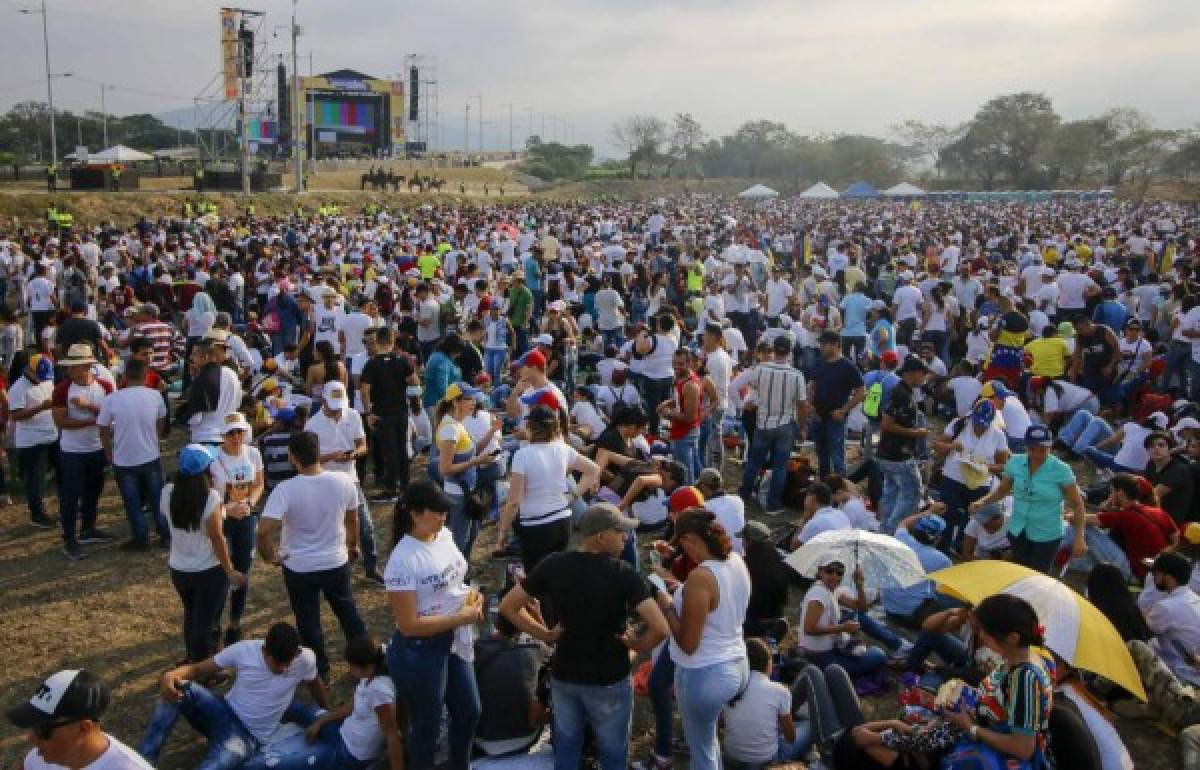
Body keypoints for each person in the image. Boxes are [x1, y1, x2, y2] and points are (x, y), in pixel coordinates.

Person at [499, 503, 670, 770]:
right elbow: (661, 627)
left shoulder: (553, 564)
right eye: (620, 531)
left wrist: (544, 634)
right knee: (613, 752)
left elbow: (508, 606)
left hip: (565, 674)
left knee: (566, 749)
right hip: (609, 678)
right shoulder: (623, 573)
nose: (626, 537)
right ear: (601, 536)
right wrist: (638, 644)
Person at [384, 479, 483, 770]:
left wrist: (469, 597)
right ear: (415, 514)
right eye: (437, 512)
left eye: (444, 512)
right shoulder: (402, 562)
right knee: (427, 726)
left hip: (451, 639)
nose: (443, 518)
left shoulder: (445, 536)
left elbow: (455, 579)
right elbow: (409, 625)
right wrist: (460, 617)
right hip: (420, 651)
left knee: (469, 711)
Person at [139, 622, 327, 770]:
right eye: (278, 664)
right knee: (179, 686)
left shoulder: (305, 659)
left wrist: (325, 713)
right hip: (221, 711)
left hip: (247, 736)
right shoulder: (245, 651)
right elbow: (197, 669)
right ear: (265, 651)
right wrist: (170, 675)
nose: (284, 669)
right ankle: (143, 761)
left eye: (288, 663)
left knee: (214, 766)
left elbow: (315, 683)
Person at [257, 431, 366, 681]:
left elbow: (263, 530)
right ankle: (365, 663)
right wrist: (353, 545)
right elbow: (353, 518)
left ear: (292, 458)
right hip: (335, 561)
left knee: (309, 622)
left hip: (299, 567)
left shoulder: (285, 489)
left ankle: (320, 671)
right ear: (319, 453)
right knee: (348, 614)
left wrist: (270, 556)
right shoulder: (343, 481)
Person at [650, 508, 751, 770]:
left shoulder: (700, 577)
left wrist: (667, 605)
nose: (684, 552)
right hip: (737, 662)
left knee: (702, 753)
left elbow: (688, 644)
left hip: (705, 673)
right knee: (707, 741)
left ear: (690, 539)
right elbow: (716, 605)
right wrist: (676, 586)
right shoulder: (737, 561)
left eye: (682, 544)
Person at [240, 636, 403, 770]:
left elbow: (392, 735)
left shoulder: (379, 691)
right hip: (342, 733)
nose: (350, 670)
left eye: (351, 666)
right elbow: (351, 706)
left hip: (348, 754)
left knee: (269, 763)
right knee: (303, 711)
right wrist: (321, 722)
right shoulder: (368, 677)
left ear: (364, 666)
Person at [939, 594, 1057, 770]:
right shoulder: (1019, 657)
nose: (981, 636)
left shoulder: (1025, 678)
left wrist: (971, 728)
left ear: (1012, 638)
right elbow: (1005, 702)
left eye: (985, 631)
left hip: (1004, 759)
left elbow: (1023, 748)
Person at [162, 444, 244, 663]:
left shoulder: (168, 492)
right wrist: (230, 569)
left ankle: (192, 657)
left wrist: (224, 511)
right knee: (206, 622)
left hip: (179, 568)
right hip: (208, 571)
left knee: (191, 615)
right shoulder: (211, 498)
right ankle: (201, 668)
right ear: (207, 470)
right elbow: (216, 537)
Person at [970, 424, 1087, 574]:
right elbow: (1002, 490)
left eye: (1042, 450)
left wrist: (1079, 537)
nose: (1037, 454)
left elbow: (1077, 504)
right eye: (1032, 449)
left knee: (1038, 576)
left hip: (1047, 534)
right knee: (1019, 571)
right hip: (1018, 528)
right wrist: (982, 502)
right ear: (1026, 447)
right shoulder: (1015, 463)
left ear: (1050, 447)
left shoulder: (1061, 470)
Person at [499, 403, 601, 571]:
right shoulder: (563, 449)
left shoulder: (523, 455)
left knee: (535, 577)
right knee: (557, 572)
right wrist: (574, 495)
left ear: (531, 427)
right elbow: (593, 469)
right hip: (562, 520)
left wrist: (502, 531)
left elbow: (514, 501)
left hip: (535, 525)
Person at [304, 380, 381, 583]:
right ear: (324, 401)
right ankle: (333, 569)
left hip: (350, 479)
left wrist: (354, 454)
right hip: (324, 483)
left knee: (365, 526)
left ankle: (371, 568)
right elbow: (308, 459)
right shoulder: (312, 424)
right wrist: (330, 457)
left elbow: (363, 445)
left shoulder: (353, 415)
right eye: (333, 407)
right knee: (331, 529)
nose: (338, 411)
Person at [7, 669, 153, 769]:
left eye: (43, 730)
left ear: (83, 728)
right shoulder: (41, 759)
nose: (31, 738)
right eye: (33, 726)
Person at [97, 358, 170, 551]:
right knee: (157, 498)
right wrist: (155, 437)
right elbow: (162, 419)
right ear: (145, 376)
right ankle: (165, 534)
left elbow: (103, 428)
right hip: (150, 455)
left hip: (124, 458)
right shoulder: (154, 396)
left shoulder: (112, 399)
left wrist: (108, 451)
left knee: (132, 501)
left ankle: (140, 537)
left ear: (124, 377)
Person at [472, 586, 552, 758]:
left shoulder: (476, 649)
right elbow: (554, 653)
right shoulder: (536, 650)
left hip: (481, 738)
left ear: (495, 621)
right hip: (525, 738)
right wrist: (538, 618)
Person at [52, 343, 115, 560]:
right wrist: (93, 421)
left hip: (95, 448)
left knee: (93, 490)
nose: (69, 370)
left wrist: (90, 409)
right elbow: (60, 421)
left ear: (87, 366)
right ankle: (69, 537)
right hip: (72, 450)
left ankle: (88, 528)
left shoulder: (105, 387)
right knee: (70, 496)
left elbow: (110, 414)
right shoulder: (62, 389)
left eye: (74, 366)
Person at [733, 335, 809, 513]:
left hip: (763, 422)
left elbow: (741, 387)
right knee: (779, 466)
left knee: (754, 461)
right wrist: (802, 427)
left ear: (773, 351)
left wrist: (744, 404)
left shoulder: (759, 370)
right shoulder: (797, 375)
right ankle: (773, 504)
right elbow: (802, 404)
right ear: (789, 352)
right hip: (785, 423)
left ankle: (744, 495)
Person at [932, 399, 1010, 549]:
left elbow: (1003, 465)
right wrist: (952, 445)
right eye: (977, 422)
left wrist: (985, 467)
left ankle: (961, 546)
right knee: (946, 512)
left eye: (984, 424)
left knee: (972, 517)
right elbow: (937, 445)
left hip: (979, 482)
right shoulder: (959, 424)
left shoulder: (998, 435)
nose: (979, 426)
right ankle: (942, 544)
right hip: (953, 477)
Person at [434, 381, 501, 558]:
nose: (474, 402)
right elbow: (445, 469)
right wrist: (476, 462)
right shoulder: (450, 430)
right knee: (459, 540)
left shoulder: (458, 424)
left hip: (466, 490)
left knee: (471, 534)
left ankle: (464, 573)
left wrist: (492, 432)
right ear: (456, 402)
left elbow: (473, 451)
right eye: (469, 399)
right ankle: (457, 579)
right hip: (457, 493)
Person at [721, 637, 811, 767]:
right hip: (766, 761)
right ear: (768, 663)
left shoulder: (728, 687)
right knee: (809, 726)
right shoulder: (779, 691)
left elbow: (723, 722)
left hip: (732, 759)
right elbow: (790, 737)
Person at [799, 556, 888, 676]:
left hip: (828, 650)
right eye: (830, 571)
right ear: (820, 571)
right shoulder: (819, 594)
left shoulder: (831, 590)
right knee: (878, 654)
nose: (835, 576)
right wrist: (842, 628)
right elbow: (808, 629)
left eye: (839, 573)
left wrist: (859, 585)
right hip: (819, 656)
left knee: (871, 649)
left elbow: (861, 608)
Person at [359, 327, 418, 502]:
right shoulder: (402, 361)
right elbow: (414, 381)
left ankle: (391, 488)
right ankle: (405, 485)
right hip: (400, 410)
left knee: (389, 450)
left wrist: (368, 412)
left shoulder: (371, 364)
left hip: (382, 412)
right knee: (401, 448)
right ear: (392, 342)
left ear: (377, 342)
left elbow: (364, 391)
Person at [875, 356, 929, 532]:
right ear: (912, 374)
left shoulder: (901, 391)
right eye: (923, 374)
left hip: (887, 454)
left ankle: (884, 530)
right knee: (912, 495)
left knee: (891, 493)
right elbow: (887, 424)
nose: (924, 379)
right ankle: (894, 532)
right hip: (899, 456)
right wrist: (917, 433)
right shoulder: (901, 394)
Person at [9, 353, 59, 529]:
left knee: (61, 471)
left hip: (51, 435)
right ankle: (37, 513)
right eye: (38, 376)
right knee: (35, 479)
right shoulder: (17, 388)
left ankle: (65, 505)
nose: (42, 380)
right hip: (31, 440)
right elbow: (16, 415)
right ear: (30, 370)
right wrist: (41, 407)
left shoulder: (46, 380)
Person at [808, 329, 866, 477]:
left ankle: (841, 489)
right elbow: (812, 385)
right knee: (822, 457)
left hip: (835, 419)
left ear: (835, 345)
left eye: (824, 344)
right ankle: (825, 488)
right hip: (818, 417)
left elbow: (861, 392)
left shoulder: (848, 366)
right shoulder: (819, 362)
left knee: (837, 458)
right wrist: (811, 406)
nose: (821, 347)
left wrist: (843, 410)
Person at [1137, 551, 1200, 685]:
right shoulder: (1194, 598)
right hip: (1193, 666)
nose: (1153, 577)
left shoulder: (1166, 607)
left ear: (1169, 577)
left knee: (1135, 644)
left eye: (1156, 573)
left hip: (1183, 673)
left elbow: (1147, 625)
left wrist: (1141, 611)